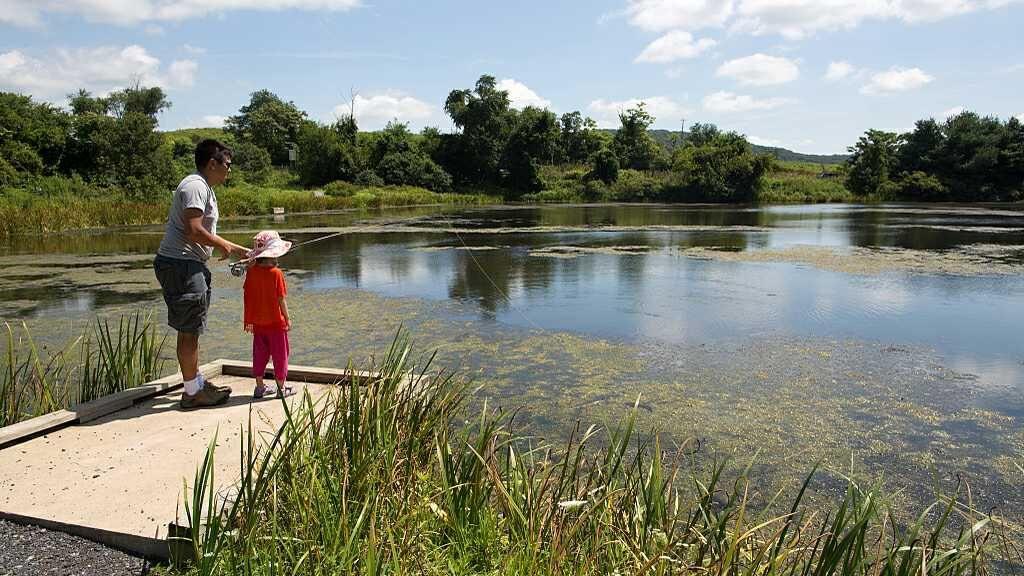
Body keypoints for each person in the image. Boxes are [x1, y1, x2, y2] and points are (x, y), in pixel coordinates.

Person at [154, 139, 250, 409]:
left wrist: (240, 250)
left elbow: (203, 233)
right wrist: (223, 245)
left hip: (185, 263)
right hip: (181, 264)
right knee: (189, 330)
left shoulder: (201, 186)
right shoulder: (196, 186)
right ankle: (192, 392)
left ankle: (194, 383)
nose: (229, 170)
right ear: (212, 163)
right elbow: (193, 230)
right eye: (227, 165)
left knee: (190, 329)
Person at [243, 230, 295, 399]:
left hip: (258, 324)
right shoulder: (276, 274)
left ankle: (259, 387)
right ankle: (281, 387)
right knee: (281, 355)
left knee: (259, 354)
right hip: (276, 324)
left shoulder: (251, 272)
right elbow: (281, 299)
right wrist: (287, 318)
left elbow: (248, 294)